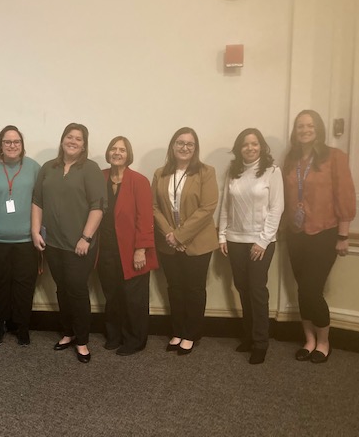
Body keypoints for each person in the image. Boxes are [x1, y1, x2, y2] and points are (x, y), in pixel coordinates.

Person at [283, 110, 356, 364]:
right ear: (295, 131)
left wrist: (343, 235)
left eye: (310, 125)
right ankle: (309, 339)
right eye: (300, 126)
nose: (305, 129)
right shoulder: (291, 160)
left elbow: (344, 195)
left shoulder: (335, 157)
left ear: (319, 129)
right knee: (302, 289)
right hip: (296, 234)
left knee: (312, 290)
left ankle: (324, 341)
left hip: (324, 233)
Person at [32, 123, 106, 363]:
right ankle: (68, 332)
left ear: (84, 144)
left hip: (79, 245)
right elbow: (37, 202)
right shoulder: (48, 168)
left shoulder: (90, 169)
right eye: (69, 136)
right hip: (52, 243)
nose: (73, 141)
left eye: (78, 138)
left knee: (77, 290)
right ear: (62, 140)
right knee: (62, 289)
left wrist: (86, 237)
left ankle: (82, 340)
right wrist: (35, 231)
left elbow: (98, 206)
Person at [218, 128, 284, 364]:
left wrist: (263, 240)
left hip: (260, 243)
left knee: (257, 291)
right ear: (239, 148)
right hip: (235, 240)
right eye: (245, 144)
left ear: (261, 146)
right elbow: (226, 205)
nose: (250, 148)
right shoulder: (233, 171)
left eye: (254, 144)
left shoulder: (271, 171)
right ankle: (248, 335)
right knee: (243, 289)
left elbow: (277, 208)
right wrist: (222, 236)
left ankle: (260, 342)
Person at [152, 127, 218, 355]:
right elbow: (154, 207)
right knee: (175, 288)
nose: (184, 147)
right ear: (173, 146)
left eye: (190, 144)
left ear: (195, 148)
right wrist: (170, 234)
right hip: (168, 243)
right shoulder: (160, 173)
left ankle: (191, 334)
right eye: (180, 142)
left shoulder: (206, 172)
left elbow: (208, 207)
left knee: (194, 289)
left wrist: (180, 235)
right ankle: (178, 331)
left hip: (198, 243)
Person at [0, 125, 41, 347]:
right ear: (0, 145)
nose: (12, 146)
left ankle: (22, 327)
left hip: (26, 240)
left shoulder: (34, 168)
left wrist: (42, 234)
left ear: (22, 145)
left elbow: (43, 204)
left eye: (16, 142)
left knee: (25, 285)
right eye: (7, 142)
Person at [97, 136, 158, 356]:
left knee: (134, 297)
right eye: (113, 148)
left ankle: (135, 340)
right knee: (112, 295)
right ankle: (114, 335)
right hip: (105, 249)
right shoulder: (100, 177)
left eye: (122, 149)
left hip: (132, 250)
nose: (117, 152)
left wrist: (141, 249)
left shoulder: (139, 180)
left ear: (128, 154)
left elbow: (145, 217)